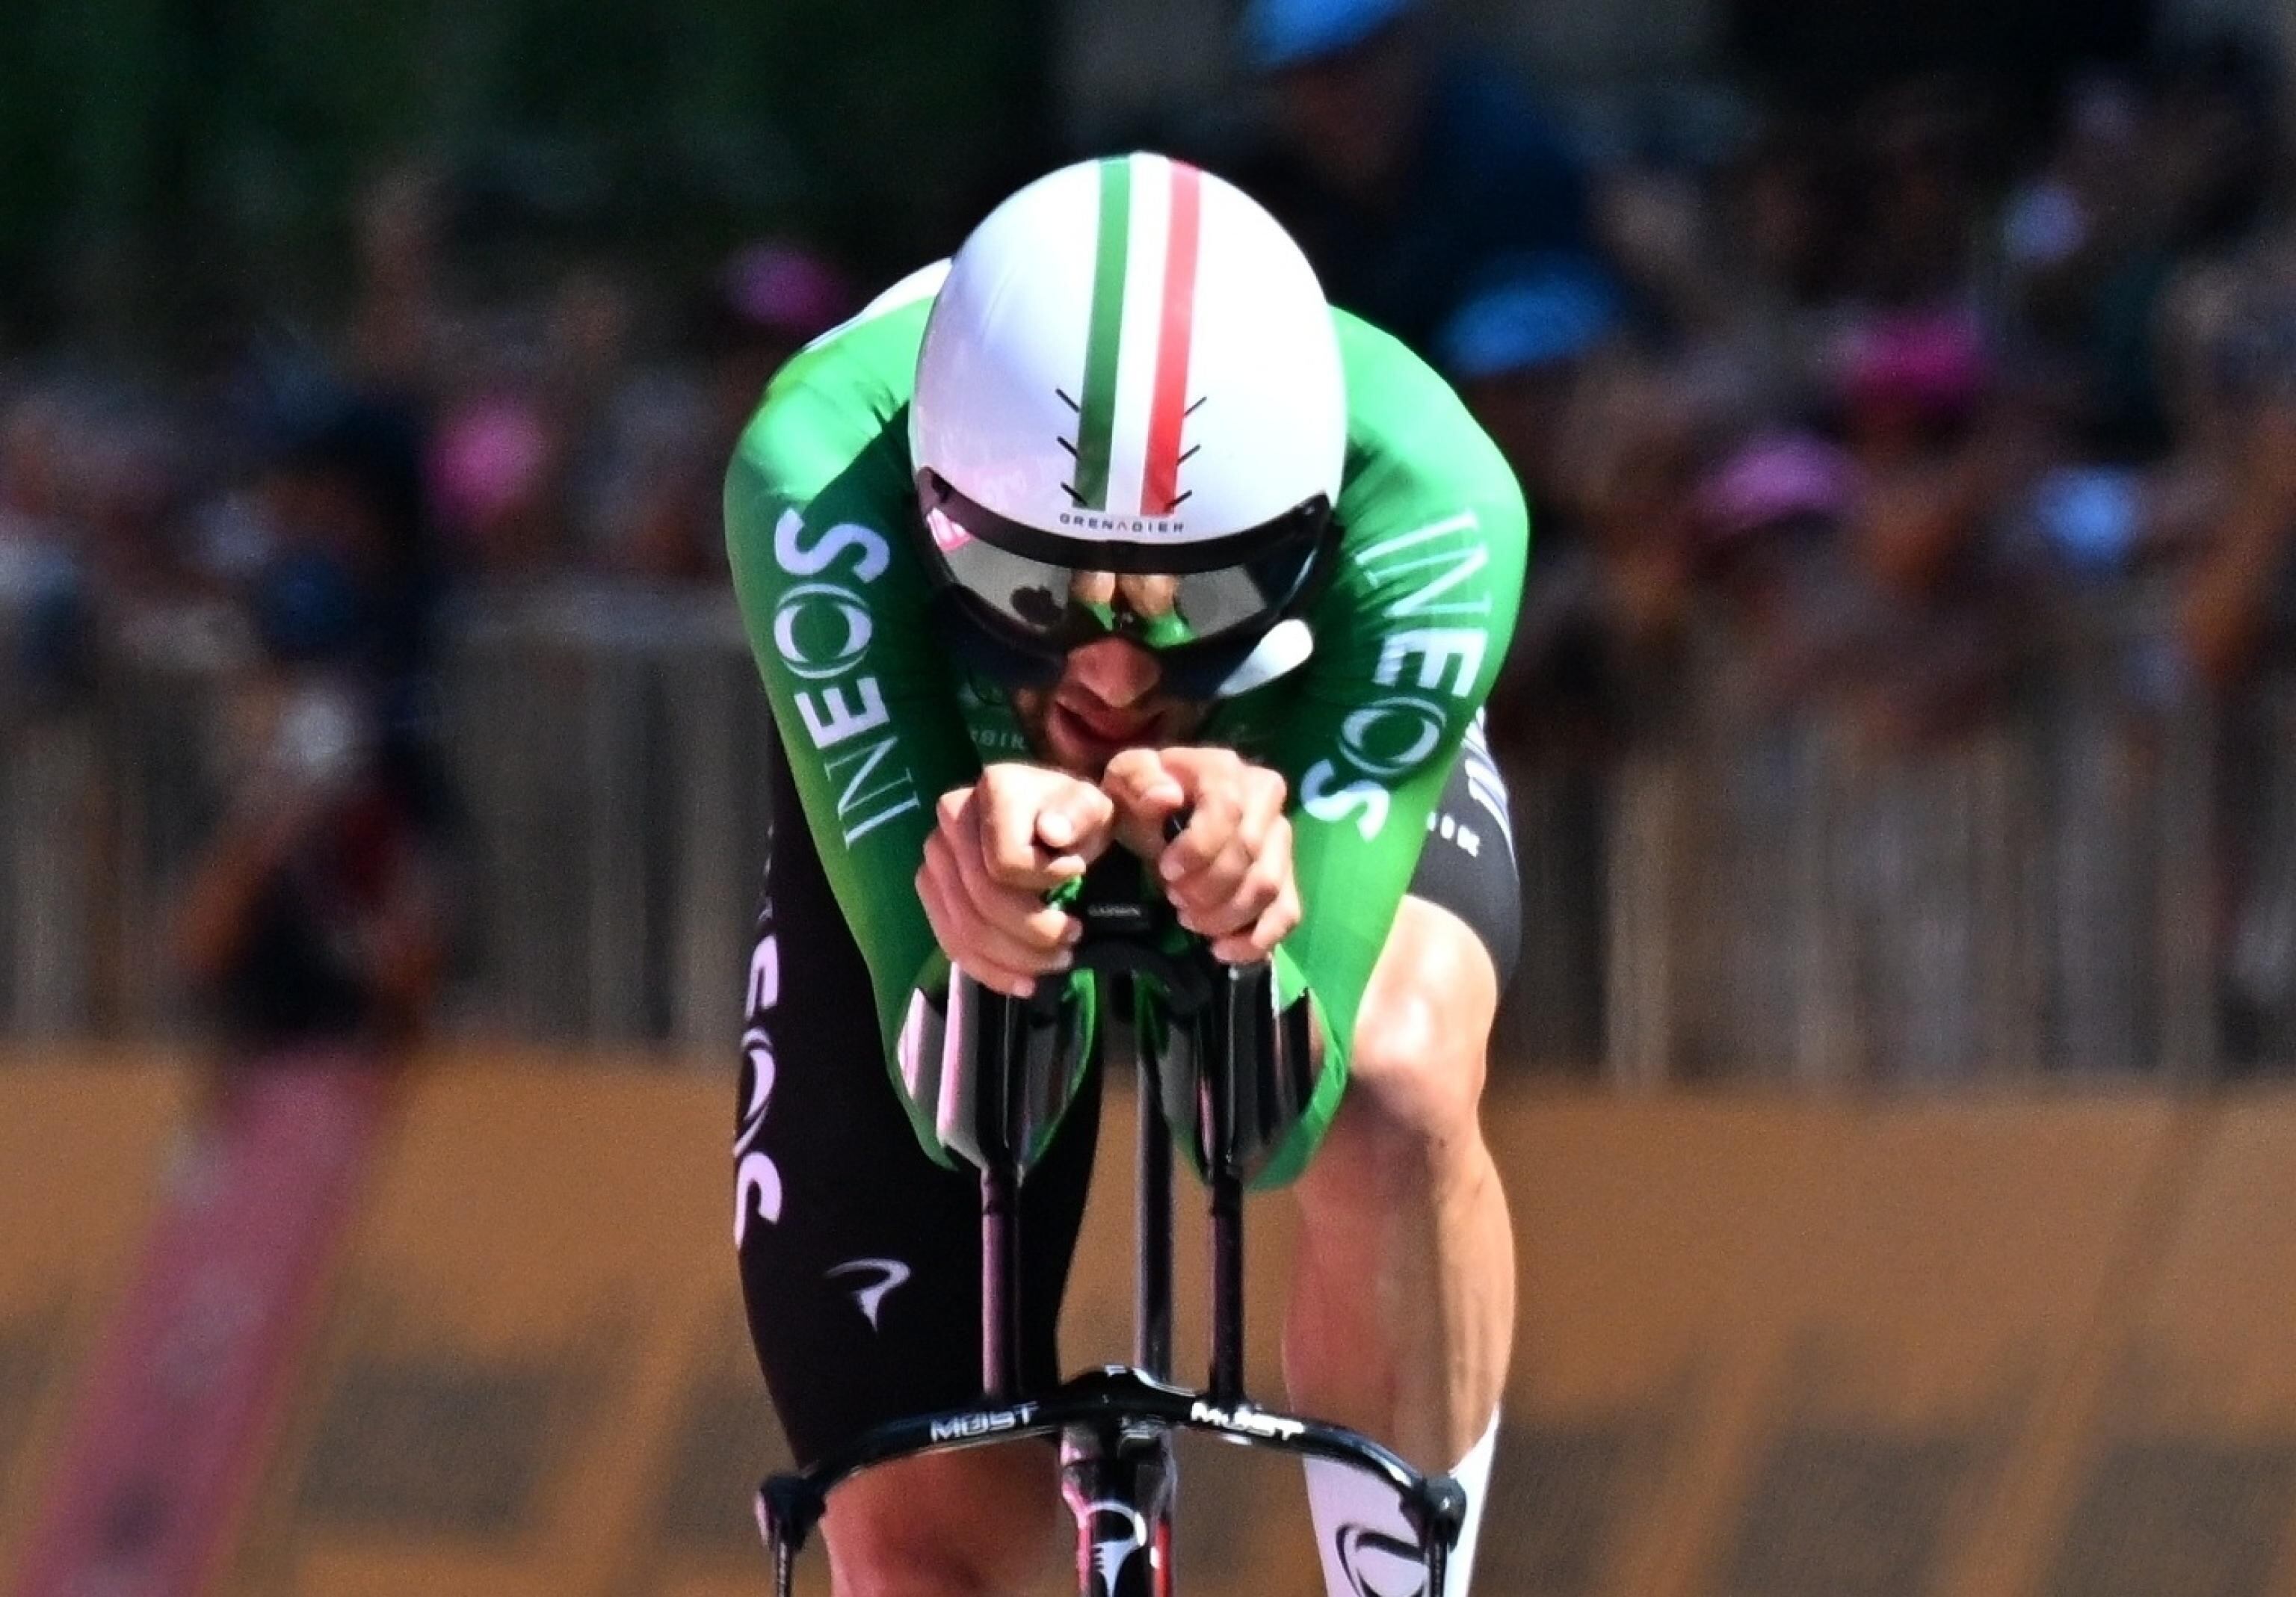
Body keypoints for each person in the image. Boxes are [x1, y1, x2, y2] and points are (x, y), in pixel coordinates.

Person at [726, 153, 1526, 1595]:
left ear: (1305, 535)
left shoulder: (1438, 507)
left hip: (1286, 714)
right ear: (935, 522)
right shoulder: (815, 486)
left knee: (1395, 1083)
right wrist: (978, 890)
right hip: (952, 727)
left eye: (1195, 598)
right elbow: (967, 1100)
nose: (1106, 673)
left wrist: (1257, 888)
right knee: (921, 1549)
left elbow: (1274, 1116)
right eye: (1034, 590)